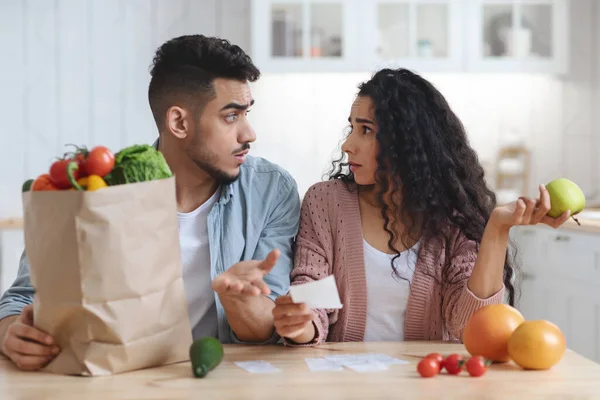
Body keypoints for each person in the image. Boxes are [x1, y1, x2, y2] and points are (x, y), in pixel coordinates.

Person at [0, 35, 301, 370]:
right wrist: (12, 334)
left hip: (222, 378)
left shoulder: (270, 189)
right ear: (179, 122)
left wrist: (238, 300)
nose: (249, 134)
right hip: (114, 379)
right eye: (231, 116)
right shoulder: (98, 192)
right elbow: (21, 299)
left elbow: (270, 325)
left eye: (247, 113)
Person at [272, 68, 570, 345]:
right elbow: (312, 292)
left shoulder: (456, 215)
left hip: (429, 382)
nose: (347, 144)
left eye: (366, 130)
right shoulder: (326, 202)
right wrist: (301, 324)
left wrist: (497, 228)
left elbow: (470, 327)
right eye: (351, 128)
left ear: (406, 141)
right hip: (344, 382)